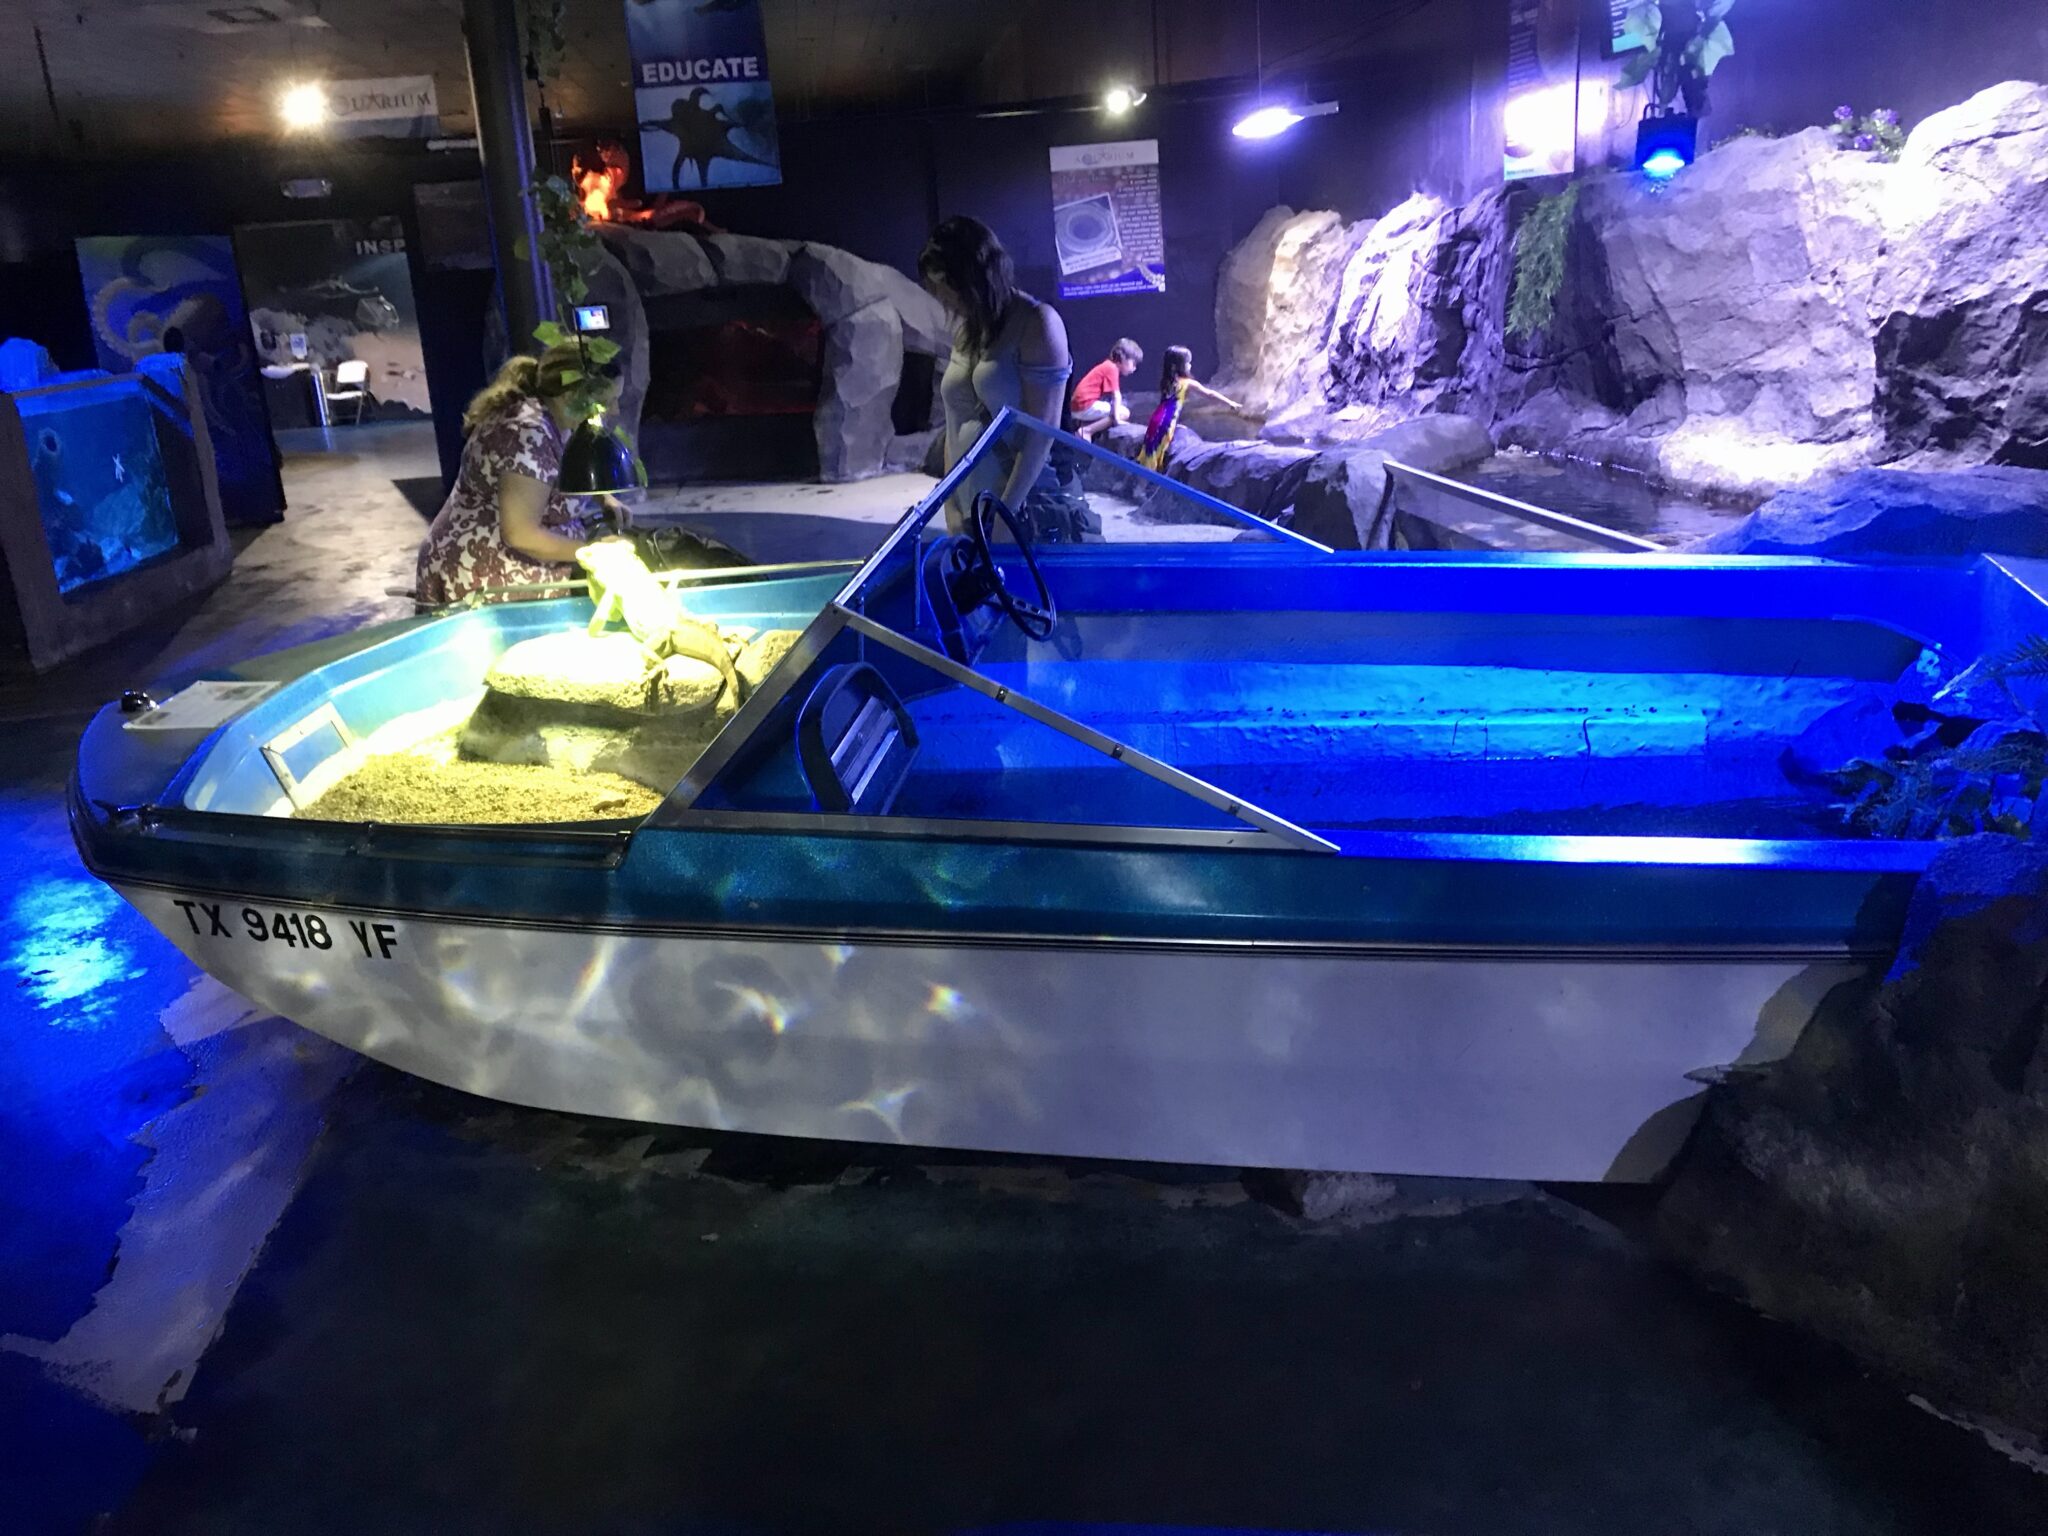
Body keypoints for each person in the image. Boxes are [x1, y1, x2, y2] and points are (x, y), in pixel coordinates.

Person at [921, 215, 1099, 544]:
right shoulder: (966, 331)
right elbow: (955, 423)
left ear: (976, 275)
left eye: (949, 284)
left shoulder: (1038, 323)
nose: (944, 298)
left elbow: (1040, 435)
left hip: (1024, 511)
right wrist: (951, 503)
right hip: (972, 507)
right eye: (937, 286)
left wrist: (1005, 518)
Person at [414, 342, 619, 607]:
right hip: (485, 570)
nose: (614, 410)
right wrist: (595, 552)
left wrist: (606, 498)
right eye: (606, 401)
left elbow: (569, 465)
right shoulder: (527, 435)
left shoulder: (557, 414)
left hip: (513, 559)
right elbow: (520, 534)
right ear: (570, 396)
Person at [1137, 345, 1251, 472]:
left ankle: (1142, 475)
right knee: (1157, 452)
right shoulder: (1186, 383)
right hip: (1167, 422)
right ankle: (1148, 478)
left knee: (1149, 449)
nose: (1190, 365)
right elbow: (1210, 394)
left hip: (1156, 418)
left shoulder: (1167, 381)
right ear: (1179, 366)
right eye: (1188, 363)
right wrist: (1230, 403)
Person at [1070, 337, 1143, 442]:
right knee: (1124, 413)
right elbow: (1116, 396)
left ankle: (1085, 425)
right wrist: (1117, 419)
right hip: (1083, 407)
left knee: (1112, 407)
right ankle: (1087, 430)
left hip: (1078, 406)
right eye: (1133, 364)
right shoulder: (1112, 368)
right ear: (1123, 359)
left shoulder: (1108, 366)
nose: (1134, 368)